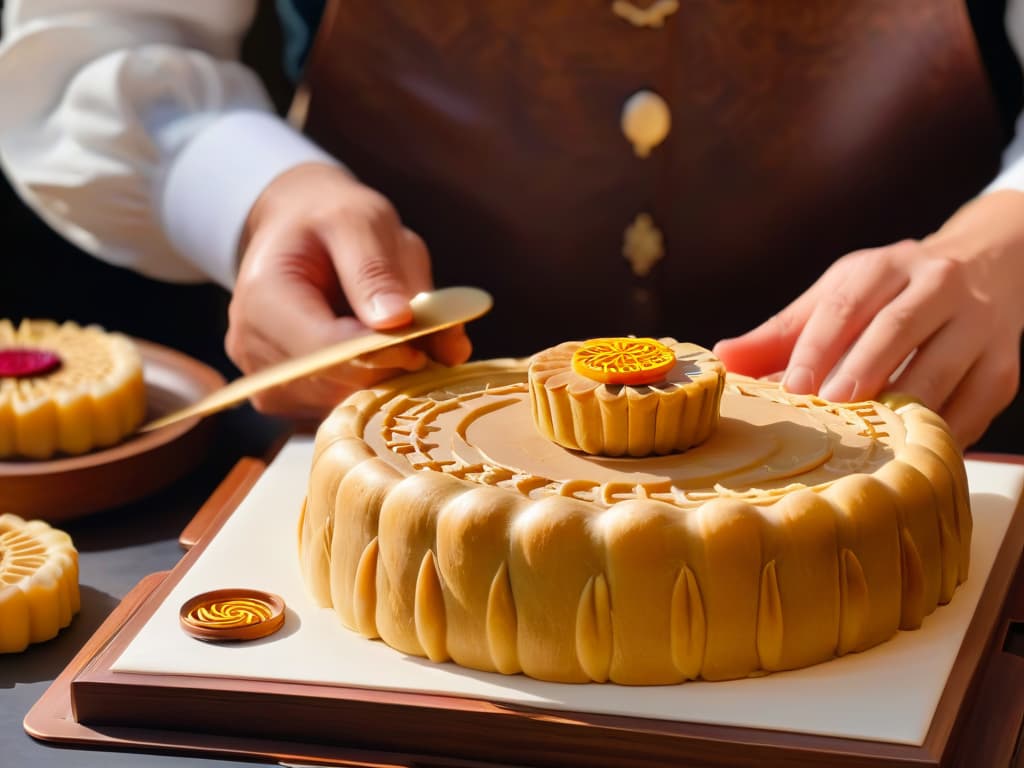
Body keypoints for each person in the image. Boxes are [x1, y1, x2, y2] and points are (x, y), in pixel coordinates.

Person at [1, 0, 1022, 448]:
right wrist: (261, 198)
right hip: (382, 468)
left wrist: (1003, 244)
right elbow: (102, 41)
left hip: (922, 448)